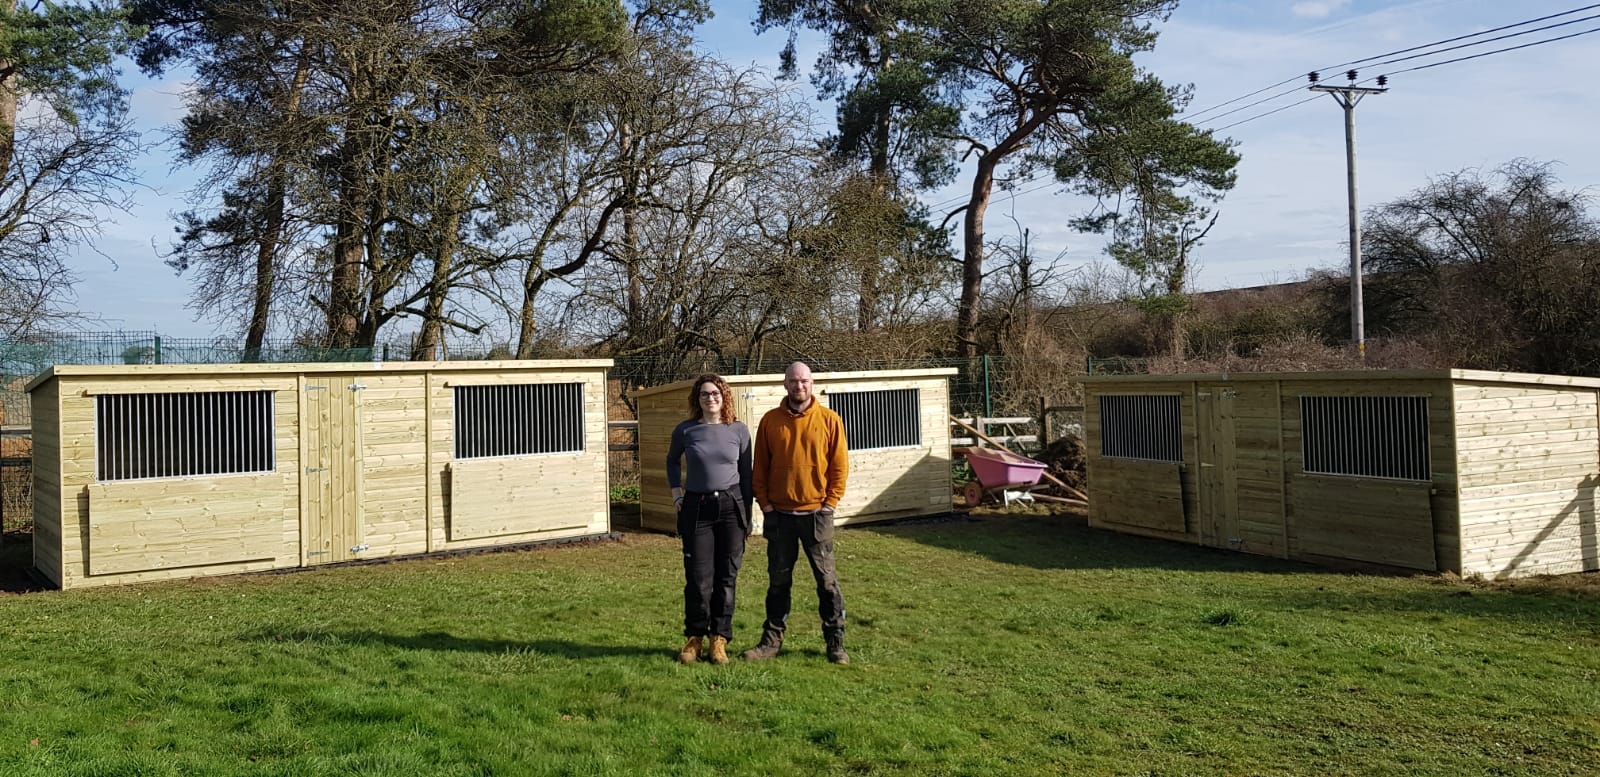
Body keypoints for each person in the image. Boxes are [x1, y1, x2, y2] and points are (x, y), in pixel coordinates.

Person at [743, 361, 851, 665]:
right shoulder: (770, 421)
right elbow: (759, 468)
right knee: (778, 582)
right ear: (785, 384)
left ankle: (836, 643)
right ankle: (771, 642)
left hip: (817, 515)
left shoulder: (830, 420)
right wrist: (765, 505)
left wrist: (830, 503)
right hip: (780, 517)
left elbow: (840, 467)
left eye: (803, 381)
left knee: (827, 583)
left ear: (811, 383)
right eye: (793, 381)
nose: (798, 386)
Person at [666, 373, 753, 665]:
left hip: (731, 508)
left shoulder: (738, 431)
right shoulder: (686, 430)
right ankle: (695, 638)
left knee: (726, 577)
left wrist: (747, 516)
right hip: (696, 509)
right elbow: (671, 461)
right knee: (698, 578)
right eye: (704, 394)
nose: (710, 398)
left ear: (724, 396)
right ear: (697, 399)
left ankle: (719, 639)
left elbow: (747, 476)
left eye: (715, 393)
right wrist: (677, 494)